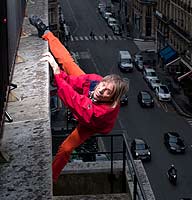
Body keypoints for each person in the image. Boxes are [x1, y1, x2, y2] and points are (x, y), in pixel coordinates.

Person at [29, 16, 129, 183]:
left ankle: (51, 179)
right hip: (85, 102)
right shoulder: (95, 81)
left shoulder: (103, 112)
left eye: (106, 92)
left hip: (91, 123)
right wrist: (61, 77)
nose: (100, 90)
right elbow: (76, 82)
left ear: (111, 98)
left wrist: (57, 74)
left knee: (65, 148)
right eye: (102, 85)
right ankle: (46, 32)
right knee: (67, 61)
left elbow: (75, 101)